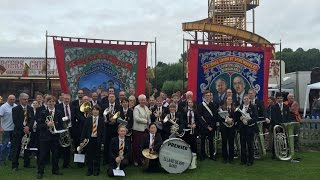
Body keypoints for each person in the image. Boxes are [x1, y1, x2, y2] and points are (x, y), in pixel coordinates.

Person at [37, 95, 64, 179]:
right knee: (43, 155)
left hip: (55, 137)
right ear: (46, 103)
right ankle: (40, 172)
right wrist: (47, 124)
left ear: (55, 103)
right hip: (45, 137)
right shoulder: (43, 112)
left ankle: (55, 170)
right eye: (49, 102)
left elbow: (62, 124)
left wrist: (55, 125)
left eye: (52, 101)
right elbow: (39, 125)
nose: (51, 103)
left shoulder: (59, 112)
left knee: (55, 154)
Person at [11, 93, 35, 171]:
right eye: (24, 99)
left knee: (27, 148)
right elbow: (16, 121)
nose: (26, 101)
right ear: (20, 99)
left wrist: (28, 127)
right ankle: (15, 165)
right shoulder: (15, 109)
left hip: (28, 132)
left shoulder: (30, 108)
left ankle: (27, 163)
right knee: (17, 148)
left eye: (27, 99)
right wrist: (23, 128)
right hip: (18, 131)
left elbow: (32, 119)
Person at [81, 105, 104, 176]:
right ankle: (90, 170)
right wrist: (82, 140)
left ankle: (97, 170)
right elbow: (84, 130)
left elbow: (104, 132)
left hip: (98, 139)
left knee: (97, 155)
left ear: (99, 111)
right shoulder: (88, 119)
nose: (95, 111)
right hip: (89, 139)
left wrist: (103, 142)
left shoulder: (101, 119)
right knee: (89, 155)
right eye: (94, 110)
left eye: (97, 110)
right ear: (92, 111)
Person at [235, 94, 258, 166]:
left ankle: (250, 160)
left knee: (250, 145)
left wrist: (248, 121)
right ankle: (243, 160)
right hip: (242, 128)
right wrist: (240, 118)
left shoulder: (253, 107)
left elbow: (256, 118)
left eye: (247, 99)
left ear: (249, 99)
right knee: (242, 144)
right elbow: (237, 117)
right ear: (243, 100)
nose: (246, 100)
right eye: (244, 99)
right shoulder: (240, 107)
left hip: (250, 128)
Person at [198, 91, 218, 161]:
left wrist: (211, 126)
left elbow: (215, 116)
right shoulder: (201, 105)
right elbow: (199, 117)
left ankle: (212, 155)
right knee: (202, 141)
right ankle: (202, 155)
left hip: (211, 127)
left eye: (209, 95)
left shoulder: (213, 105)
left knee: (211, 141)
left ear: (210, 96)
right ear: (204, 96)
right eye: (206, 95)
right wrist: (206, 126)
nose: (208, 97)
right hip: (204, 127)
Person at [55, 94, 74, 168]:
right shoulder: (58, 106)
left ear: (70, 99)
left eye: (68, 99)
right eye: (65, 98)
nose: (66, 100)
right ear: (63, 99)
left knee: (68, 146)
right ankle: (57, 162)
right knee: (60, 146)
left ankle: (66, 163)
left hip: (70, 128)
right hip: (61, 129)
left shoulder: (73, 107)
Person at [132, 94, 151, 166]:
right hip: (137, 130)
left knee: (143, 146)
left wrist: (149, 125)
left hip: (145, 130)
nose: (143, 101)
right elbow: (136, 118)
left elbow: (148, 117)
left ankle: (142, 160)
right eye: (141, 100)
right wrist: (145, 121)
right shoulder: (136, 108)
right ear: (139, 100)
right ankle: (135, 160)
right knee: (136, 146)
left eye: (144, 100)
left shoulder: (146, 107)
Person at [219, 96, 236, 163]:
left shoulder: (234, 108)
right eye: (228, 99)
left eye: (231, 99)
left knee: (231, 142)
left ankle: (231, 158)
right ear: (226, 100)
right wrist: (226, 120)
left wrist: (232, 120)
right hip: (224, 127)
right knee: (224, 142)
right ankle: (225, 157)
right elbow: (219, 117)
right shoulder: (222, 108)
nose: (230, 100)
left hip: (232, 127)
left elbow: (236, 117)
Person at [0, 95, 17, 166]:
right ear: (7, 99)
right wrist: (0, 127)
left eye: (13, 99)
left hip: (14, 129)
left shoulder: (15, 106)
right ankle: (2, 160)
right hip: (6, 129)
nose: (12, 100)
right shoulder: (3, 107)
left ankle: (11, 157)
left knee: (14, 144)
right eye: (10, 99)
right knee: (5, 144)